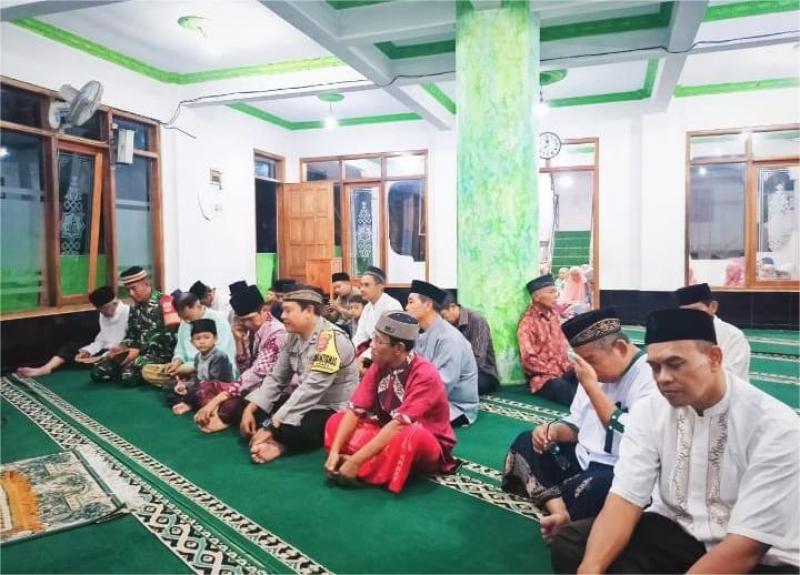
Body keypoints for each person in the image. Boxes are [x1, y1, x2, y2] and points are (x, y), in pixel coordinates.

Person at [551, 308, 800, 574]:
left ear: (714, 358)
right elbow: (625, 499)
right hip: (680, 532)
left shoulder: (776, 428)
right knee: (574, 544)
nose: (663, 378)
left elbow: (746, 548)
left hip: (758, 556)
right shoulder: (650, 410)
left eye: (675, 364)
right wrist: (590, 568)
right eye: (655, 367)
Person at [503, 307, 655, 545]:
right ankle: (561, 512)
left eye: (592, 360)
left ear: (621, 348)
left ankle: (561, 504)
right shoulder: (591, 373)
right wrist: (551, 431)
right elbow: (576, 424)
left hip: (619, 467)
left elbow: (636, 437)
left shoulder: (651, 375)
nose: (586, 369)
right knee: (525, 441)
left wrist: (593, 388)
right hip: (584, 457)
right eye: (583, 362)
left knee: (597, 492)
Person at [324, 311, 459, 493]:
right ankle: (366, 461)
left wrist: (356, 461)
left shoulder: (425, 374)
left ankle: (361, 467)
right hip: (386, 431)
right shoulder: (379, 364)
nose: (371, 345)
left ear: (399, 348)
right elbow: (356, 409)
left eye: (379, 341)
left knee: (411, 436)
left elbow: (399, 425)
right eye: (373, 337)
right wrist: (334, 451)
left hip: (423, 439)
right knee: (336, 421)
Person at [241, 287, 359, 463]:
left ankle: (278, 444)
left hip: (330, 408)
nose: (282, 316)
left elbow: (311, 389)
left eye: (288, 311)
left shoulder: (332, 339)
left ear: (309, 311)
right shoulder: (293, 336)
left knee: (297, 428)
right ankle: (274, 437)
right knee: (251, 406)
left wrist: (271, 426)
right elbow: (277, 377)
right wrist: (252, 407)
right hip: (303, 400)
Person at [193, 285, 287, 432]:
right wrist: (239, 340)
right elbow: (245, 368)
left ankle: (222, 415)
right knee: (206, 387)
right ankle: (220, 413)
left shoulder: (277, 333)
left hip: (272, 390)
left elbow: (256, 374)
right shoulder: (252, 329)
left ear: (264, 311)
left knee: (235, 404)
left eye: (250, 319)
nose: (247, 324)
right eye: (243, 320)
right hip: (251, 386)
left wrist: (218, 399)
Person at [406, 280, 479, 426]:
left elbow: (442, 384)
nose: (406, 307)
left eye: (411, 302)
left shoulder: (449, 338)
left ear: (427, 305)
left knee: (404, 424)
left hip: (454, 406)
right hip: (428, 396)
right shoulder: (420, 332)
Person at [16, 286, 130, 377]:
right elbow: (102, 340)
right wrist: (88, 351)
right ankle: (45, 368)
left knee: (101, 369)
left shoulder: (129, 313)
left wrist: (101, 357)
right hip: (105, 350)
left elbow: (127, 345)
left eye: (104, 309)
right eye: (99, 310)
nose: (102, 313)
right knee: (71, 347)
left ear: (114, 303)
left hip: (119, 353)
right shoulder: (103, 315)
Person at [91, 267, 178, 385]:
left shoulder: (166, 302)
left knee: (127, 376)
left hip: (160, 355)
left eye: (133, 288)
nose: (131, 294)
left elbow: (170, 338)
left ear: (146, 282)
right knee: (98, 372)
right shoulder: (135, 308)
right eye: (128, 290)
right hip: (137, 354)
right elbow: (132, 335)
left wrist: (137, 350)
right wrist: (122, 347)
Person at [141, 291, 236, 387]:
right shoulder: (185, 322)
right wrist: (176, 362)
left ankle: (186, 383)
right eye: (183, 318)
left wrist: (191, 367)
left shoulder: (218, 319)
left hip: (214, 368)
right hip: (187, 367)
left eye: (188, 317)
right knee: (147, 370)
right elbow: (180, 348)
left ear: (198, 306)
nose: (187, 321)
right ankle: (184, 382)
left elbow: (221, 353)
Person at [518, 274, 578, 405]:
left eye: (556, 291)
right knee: (563, 389)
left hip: (563, 370)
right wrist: (554, 371)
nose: (556, 295)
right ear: (536, 297)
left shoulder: (554, 315)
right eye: (551, 292)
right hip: (544, 378)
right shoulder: (527, 323)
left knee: (587, 375)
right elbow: (528, 360)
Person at [676, 282, 751, 382]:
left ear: (713, 307)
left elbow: (730, 379)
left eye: (695, 310)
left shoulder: (733, 337)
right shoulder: (678, 336)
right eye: (684, 312)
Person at [165, 318, 234, 416]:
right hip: (200, 388)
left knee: (197, 393)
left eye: (207, 337)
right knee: (169, 386)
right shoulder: (198, 357)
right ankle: (188, 402)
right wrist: (185, 385)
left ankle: (189, 404)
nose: (202, 341)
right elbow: (197, 378)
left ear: (215, 338)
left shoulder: (219, 356)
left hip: (217, 391)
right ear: (192, 342)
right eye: (197, 339)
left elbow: (215, 383)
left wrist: (192, 388)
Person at [440, 294, 499, 395]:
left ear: (453, 307)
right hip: (455, 371)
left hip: (482, 372)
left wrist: (455, 374)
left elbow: (478, 357)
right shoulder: (447, 324)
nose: (443, 320)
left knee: (461, 386)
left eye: (444, 316)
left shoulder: (477, 320)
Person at [351, 266, 402, 364]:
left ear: (380, 286)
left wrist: (364, 358)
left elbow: (387, 341)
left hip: (387, 355)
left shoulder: (392, 306)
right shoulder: (367, 308)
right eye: (361, 285)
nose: (361, 289)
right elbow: (360, 336)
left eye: (366, 285)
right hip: (370, 351)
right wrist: (349, 352)